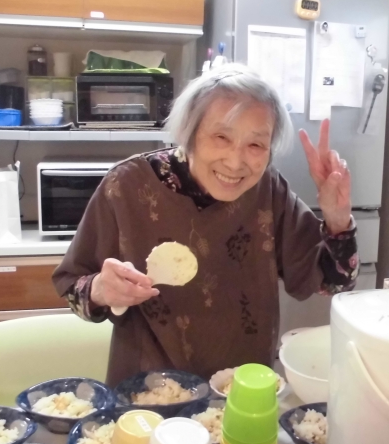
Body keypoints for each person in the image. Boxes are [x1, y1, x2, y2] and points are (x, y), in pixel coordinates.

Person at [53, 64, 359, 386]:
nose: (235, 162)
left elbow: (331, 283)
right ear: (190, 132)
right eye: (221, 137)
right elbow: (73, 286)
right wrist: (101, 290)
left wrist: (337, 218)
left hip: (241, 389)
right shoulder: (126, 187)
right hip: (150, 393)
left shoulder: (268, 191)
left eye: (255, 145)